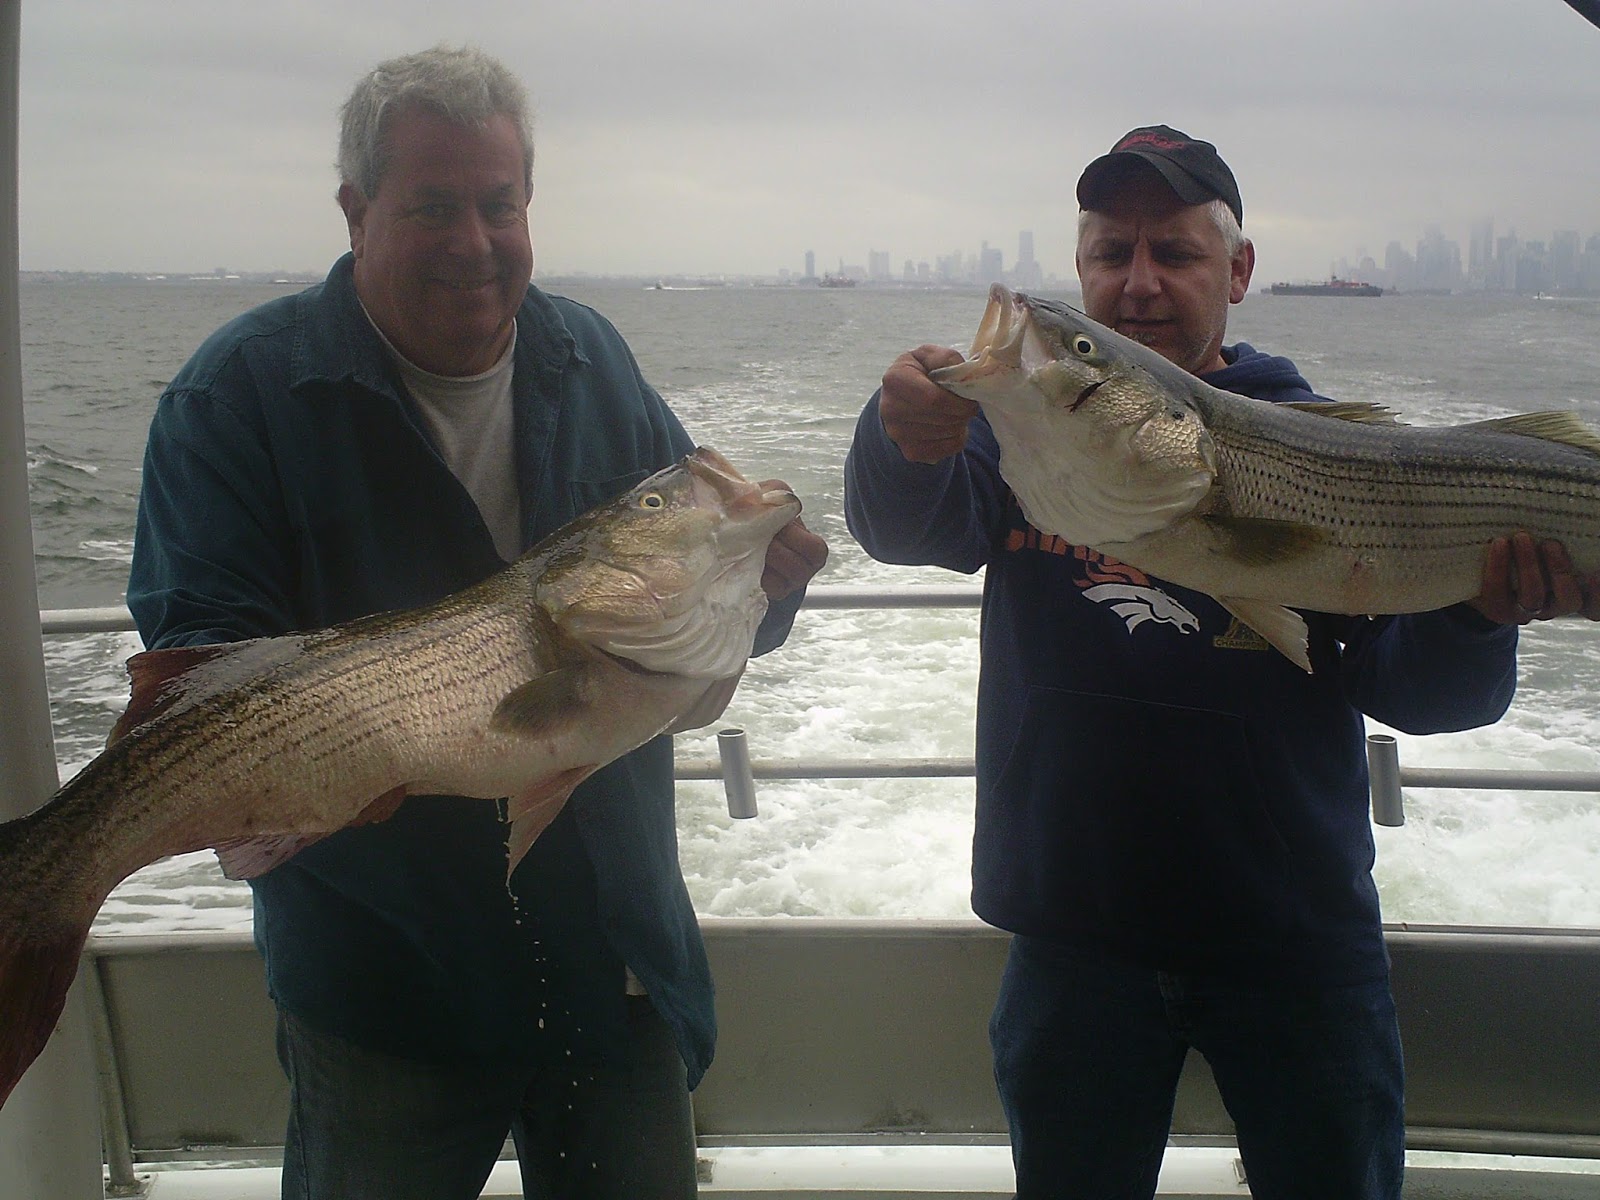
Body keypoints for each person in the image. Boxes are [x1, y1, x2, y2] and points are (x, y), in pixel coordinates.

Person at [843, 124, 1600, 1200]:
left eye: (1176, 253)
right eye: (1109, 253)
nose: (1136, 283)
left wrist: (1481, 614)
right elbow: (901, 528)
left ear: (1237, 270)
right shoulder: (1020, 431)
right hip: (1073, 934)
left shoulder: (1305, 437)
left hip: (1295, 943)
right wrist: (899, 437)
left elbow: (1421, 697)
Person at [127, 46, 827, 1200]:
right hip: (383, 986)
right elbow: (202, 660)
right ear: (355, 210)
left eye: (500, 205)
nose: (475, 242)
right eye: (432, 206)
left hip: (614, 960)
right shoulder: (236, 398)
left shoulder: (588, 356)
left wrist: (763, 594)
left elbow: (667, 631)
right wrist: (330, 761)